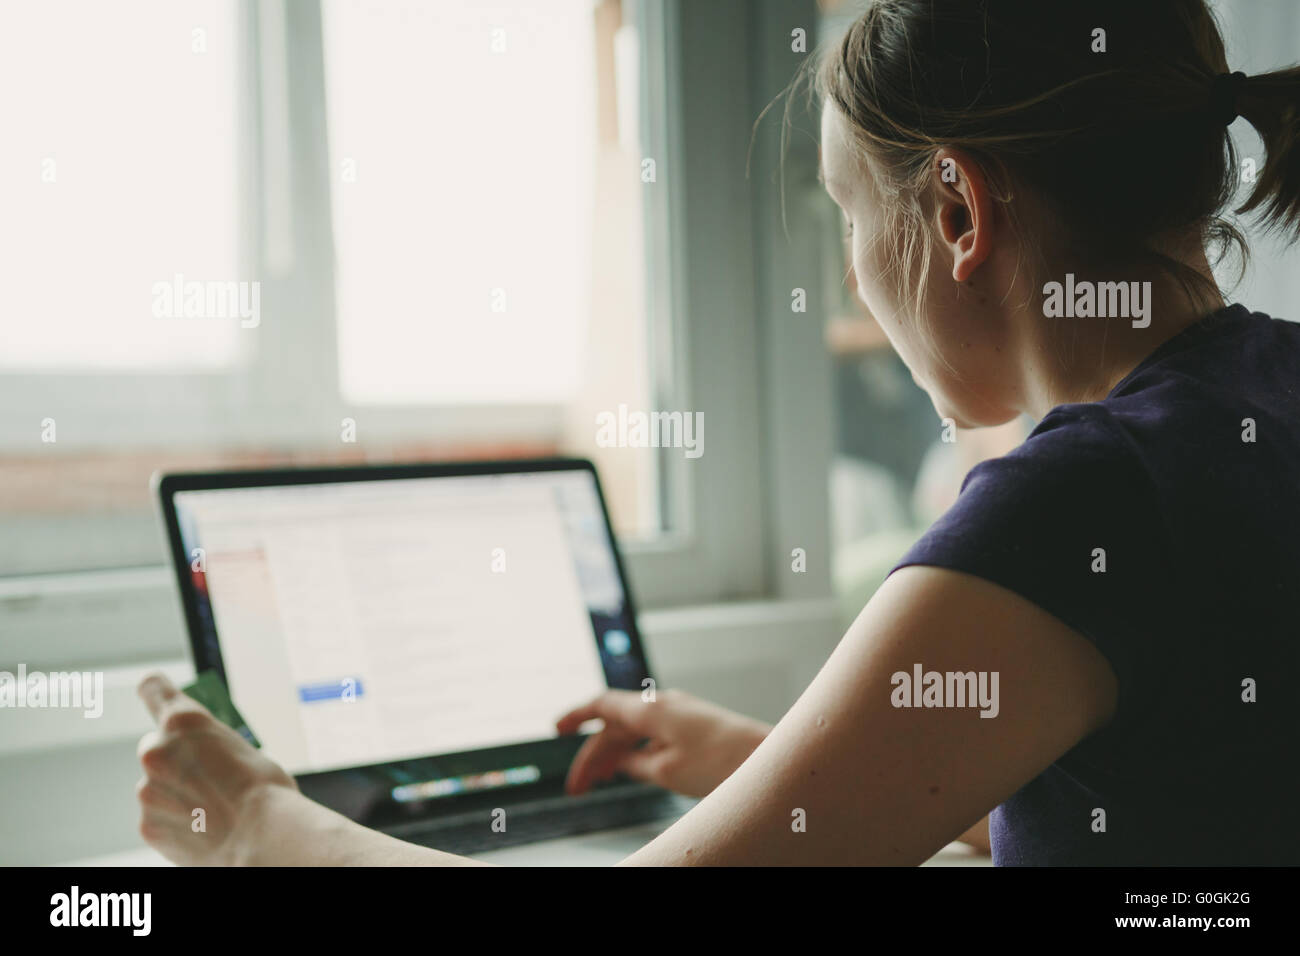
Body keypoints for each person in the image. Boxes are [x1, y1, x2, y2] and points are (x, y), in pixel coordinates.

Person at [135, 0, 1300, 865]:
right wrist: (740, 755)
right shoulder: (1257, 402)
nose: (851, 281)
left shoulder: (1083, 496)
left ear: (956, 209)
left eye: (848, 216)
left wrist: (252, 820)